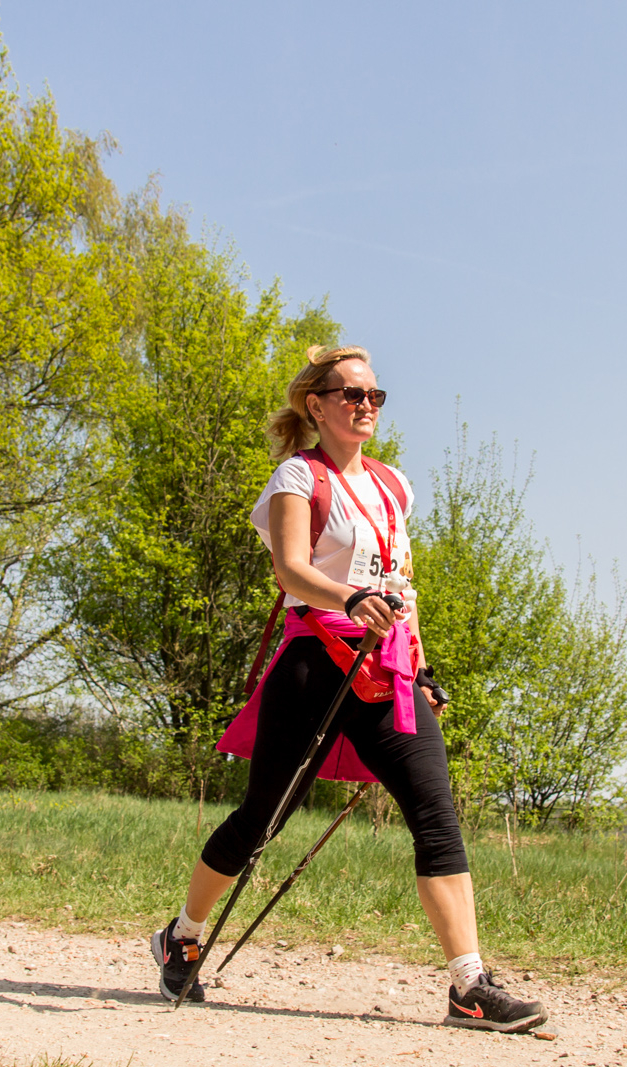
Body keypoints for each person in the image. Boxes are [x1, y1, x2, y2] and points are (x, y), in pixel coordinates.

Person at [150, 345, 548, 1033]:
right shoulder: (296, 476)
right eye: (350, 394)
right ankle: (181, 935)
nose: (366, 405)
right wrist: (349, 595)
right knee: (262, 819)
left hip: (386, 670)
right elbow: (292, 572)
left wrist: (420, 665)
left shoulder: (396, 486)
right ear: (316, 404)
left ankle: (469, 984)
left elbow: (404, 587)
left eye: (375, 395)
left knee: (435, 813)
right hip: (314, 663)